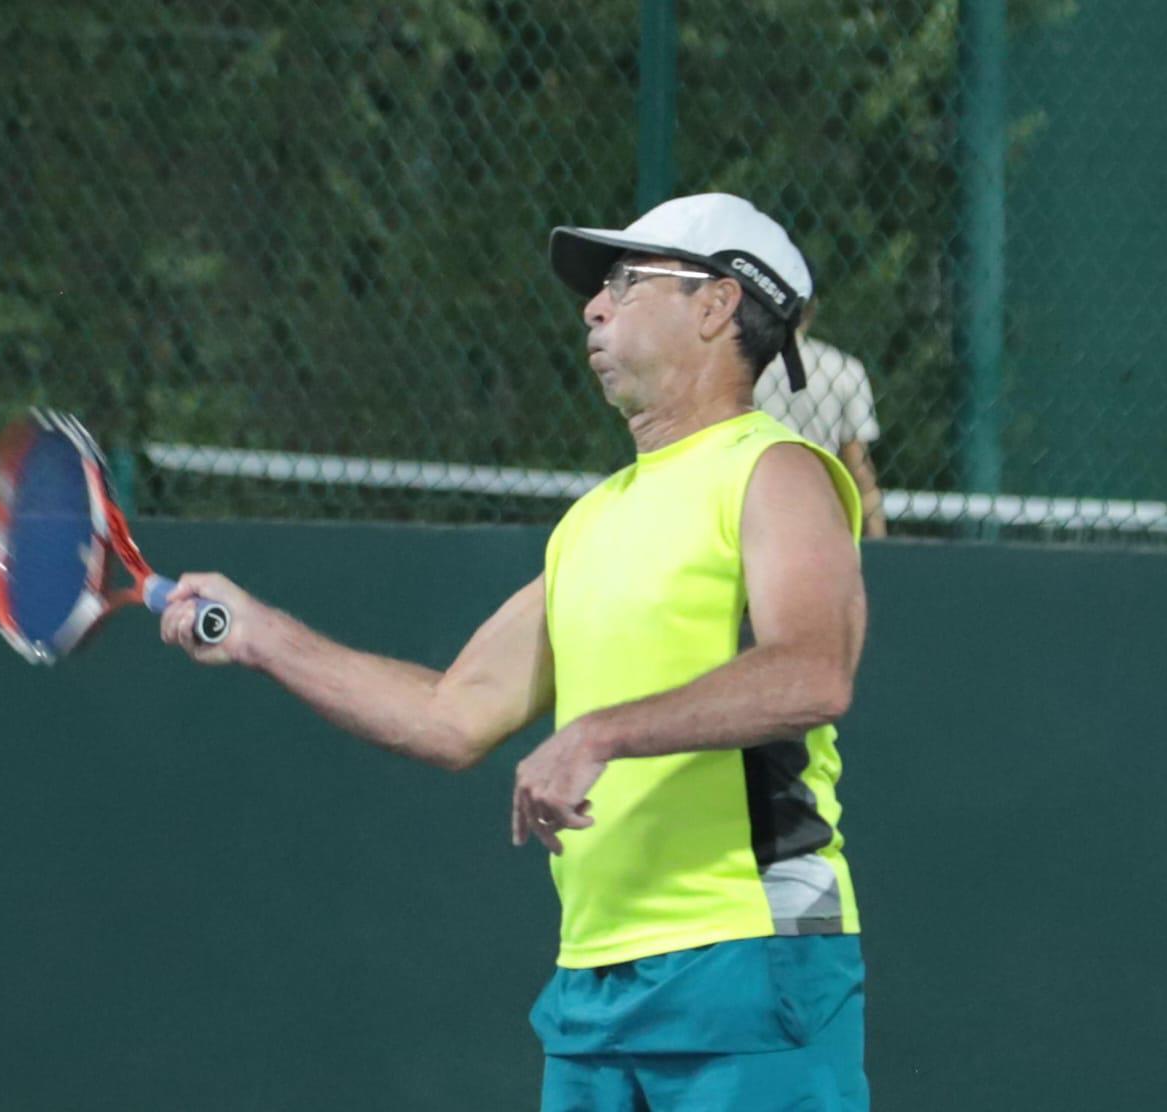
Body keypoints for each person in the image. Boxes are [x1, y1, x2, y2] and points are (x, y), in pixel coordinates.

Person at [159, 193, 870, 1111]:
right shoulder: (591, 524)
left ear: (716, 305)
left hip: (752, 959)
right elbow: (450, 715)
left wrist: (601, 733)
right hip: (595, 986)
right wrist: (262, 634)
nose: (594, 307)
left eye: (624, 282)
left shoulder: (774, 471)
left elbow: (814, 670)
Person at [755, 299, 889, 536]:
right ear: (811, 308)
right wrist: (879, 536)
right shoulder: (843, 368)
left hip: (754, 501)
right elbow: (858, 465)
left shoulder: (743, 366)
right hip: (818, 506)